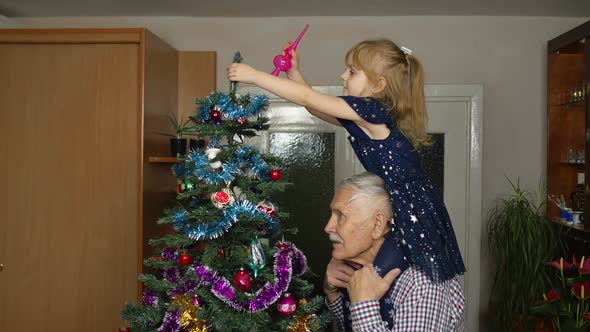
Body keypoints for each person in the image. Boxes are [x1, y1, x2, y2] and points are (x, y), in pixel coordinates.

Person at [227, 37, 465, 317]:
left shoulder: (373, 111)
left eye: (352, 72)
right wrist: (294, 72)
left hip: (409, 216)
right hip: (399, 211)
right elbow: (315, 105)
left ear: (378, 85)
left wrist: (254, 76)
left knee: (379, 283)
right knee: (365, 286)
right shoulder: (368, 116)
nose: (343, 75)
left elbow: (307, 98)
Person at [323, 172, 465, 331]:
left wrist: (364, 305)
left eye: (341, 216)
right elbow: (354, 324)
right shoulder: (364, 268)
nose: (328, 227)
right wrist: (334, 294)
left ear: (377, 225)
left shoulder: (422, 284)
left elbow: (364, 317)